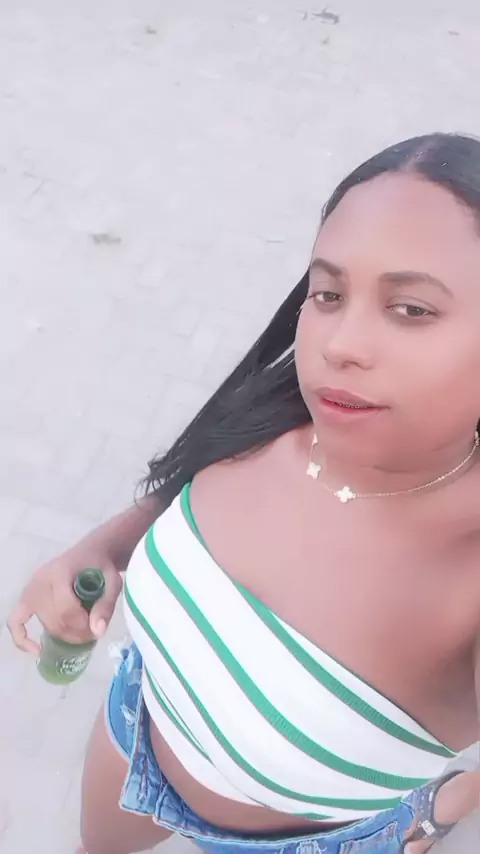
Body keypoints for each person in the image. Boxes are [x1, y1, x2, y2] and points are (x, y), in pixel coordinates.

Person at [8, 132, 480, 854]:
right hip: (139, 727)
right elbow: (178, 494)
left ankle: (440, 802)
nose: (339, 344)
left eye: (412, 308)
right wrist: (103, 546)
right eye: (328, 293)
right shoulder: (274, 414)